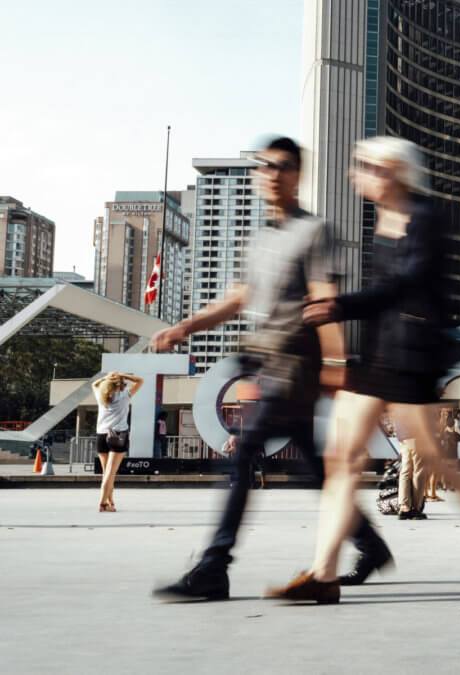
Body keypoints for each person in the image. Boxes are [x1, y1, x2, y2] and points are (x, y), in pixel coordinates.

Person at [268, 136, 460, 602]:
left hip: (413, 360)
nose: (354, 173)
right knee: (342, 459)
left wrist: (338, 305)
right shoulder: (383, 221)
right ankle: (323, 575)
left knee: (439, 463)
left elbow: (406, 285)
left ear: (392, 171)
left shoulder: (425, 217)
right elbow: (386, 294)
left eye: (363, 165)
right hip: (380, 356)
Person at [152, 136, 392, 601]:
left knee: (243, 455)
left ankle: (214, 566)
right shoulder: (260, 238)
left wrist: (337, 366)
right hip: (267, 364)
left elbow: (324, 298)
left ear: (298, 174)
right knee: (314, 470)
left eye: (282, 166)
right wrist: (187, 326)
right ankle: (370, 543)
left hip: (297, 366)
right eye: (264, 166)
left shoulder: (314, 230)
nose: (271, 173)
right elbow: (239, 298)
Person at [91, 372, 143, 512]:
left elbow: (94, 384)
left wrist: (106, 378)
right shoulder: (124, 395)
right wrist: (123, 375)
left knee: (106, 473)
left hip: (101, 435)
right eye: (124, 383)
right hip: (118, 435)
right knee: (110, 473)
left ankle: (110, 502)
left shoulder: (101, 396)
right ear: (120, 385)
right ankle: (102, 504)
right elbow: (140, 380)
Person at [395, 412, 427, 521]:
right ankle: (415, 508)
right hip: (416, 432)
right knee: (419, 471)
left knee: (406, 469)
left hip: (402, 434)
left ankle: (404, 507)